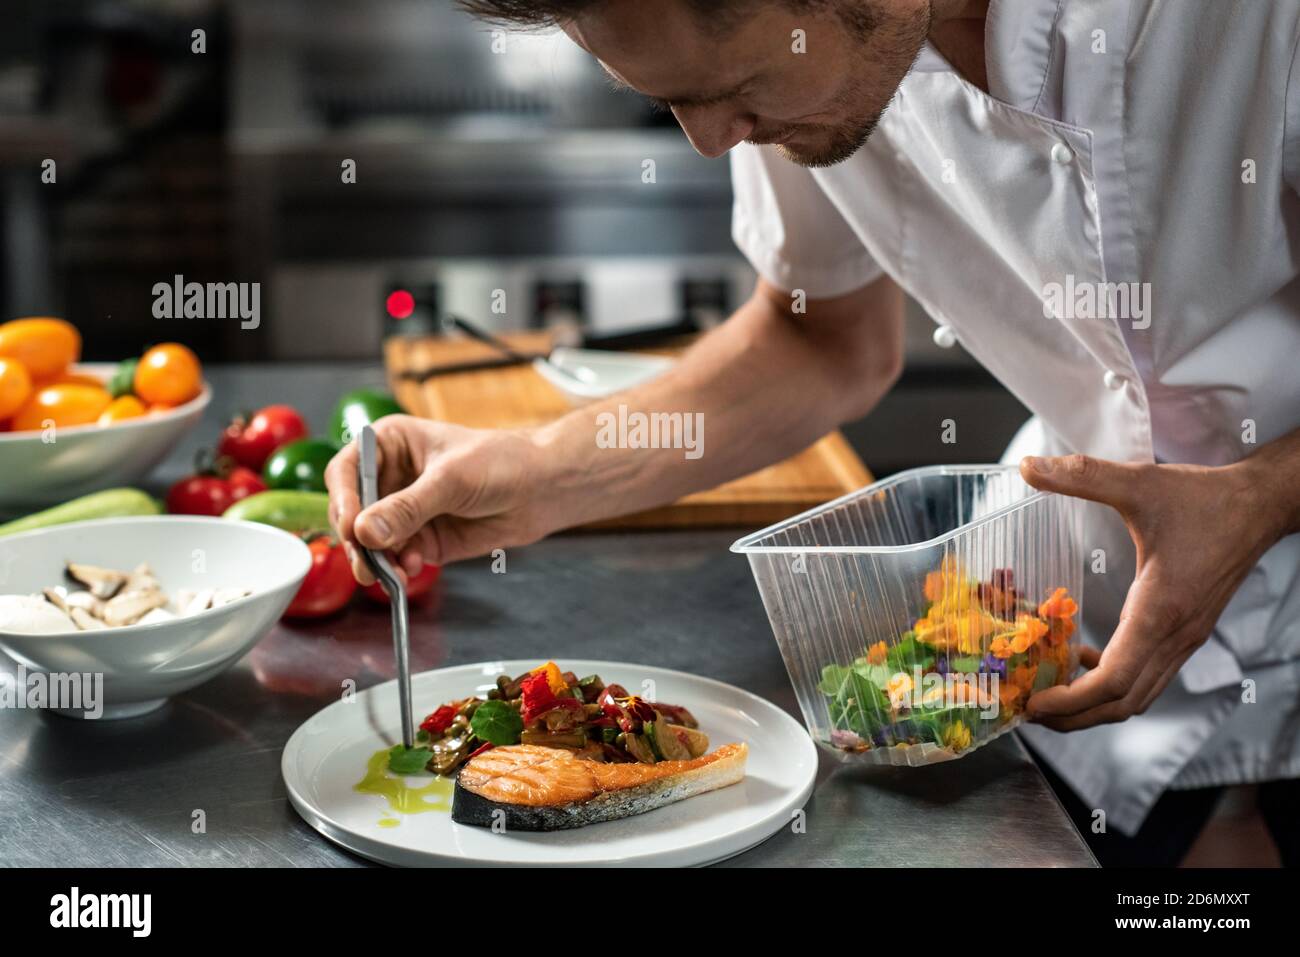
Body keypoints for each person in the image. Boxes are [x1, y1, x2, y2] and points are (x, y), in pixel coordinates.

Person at [325, 0, 1300, 865]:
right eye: (669, 100)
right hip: (1078, 641)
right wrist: (536, 471)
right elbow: (817, 339)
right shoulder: (810, 83)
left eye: (734, 88)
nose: (710, 140)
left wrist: (1260, 496)